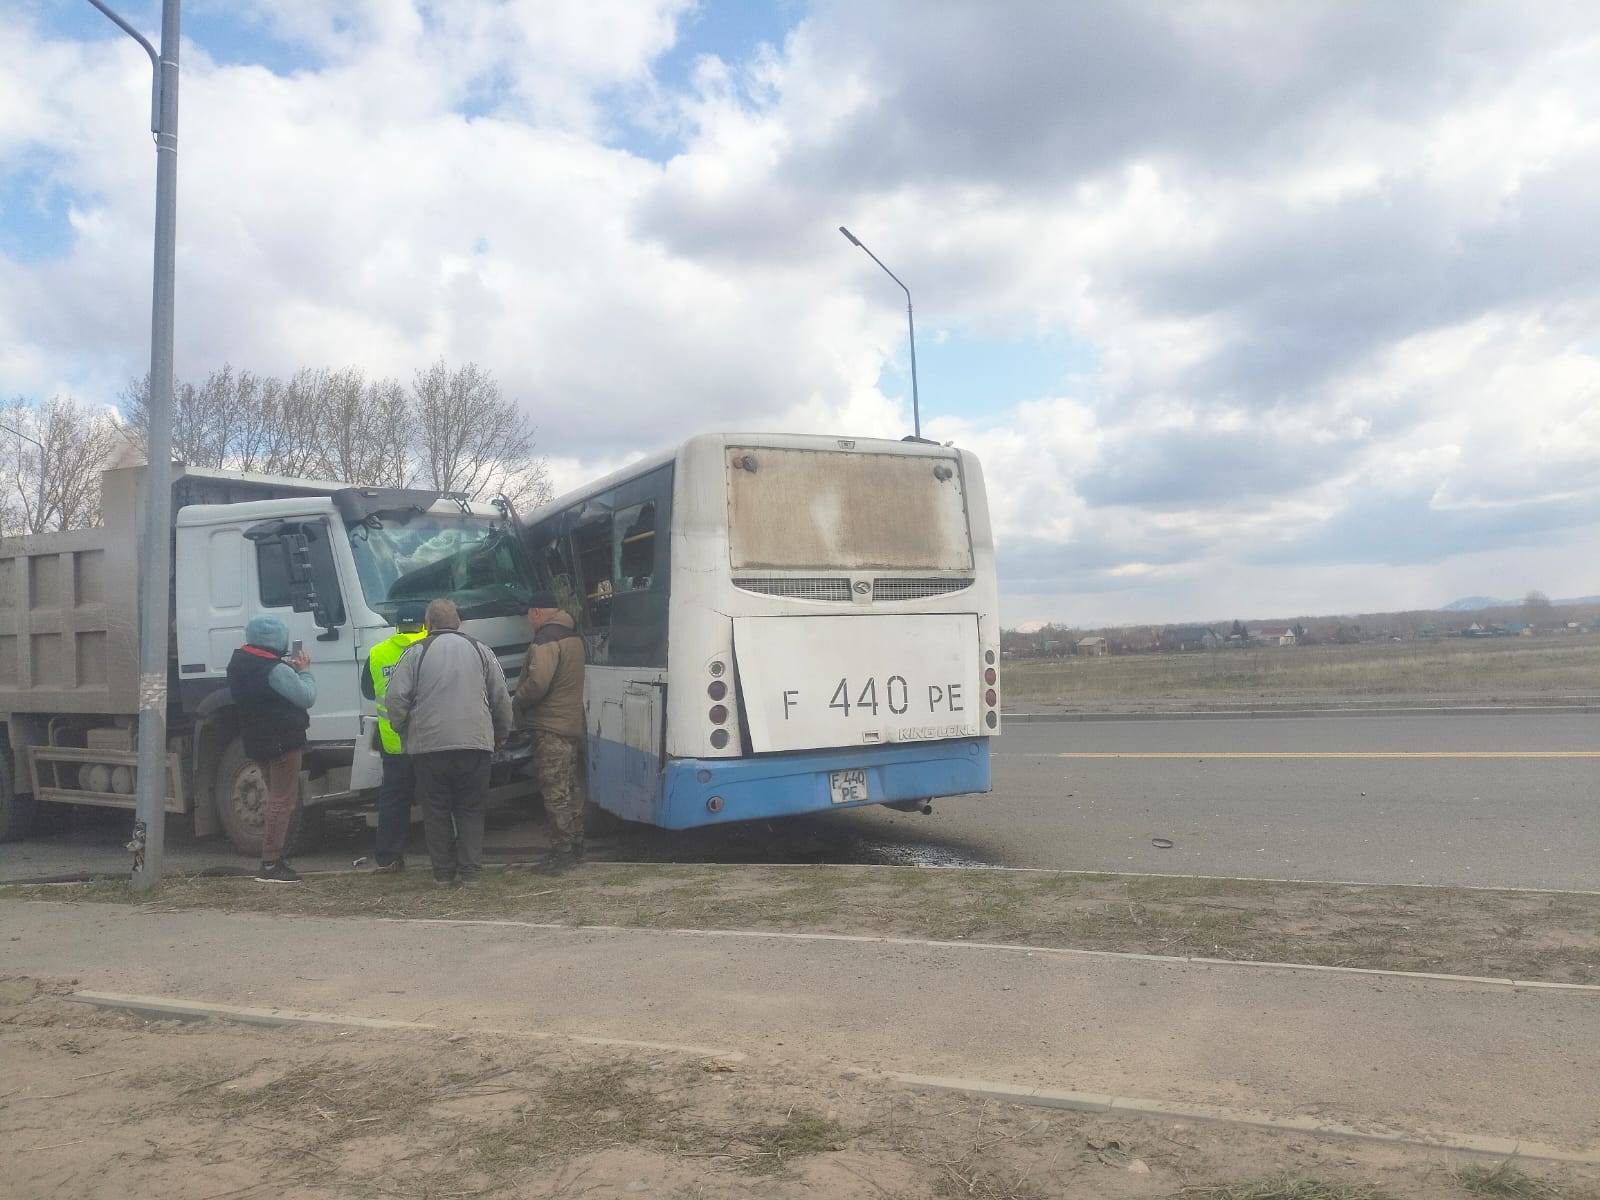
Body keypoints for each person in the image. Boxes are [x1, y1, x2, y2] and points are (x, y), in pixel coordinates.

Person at [385, 598, 513, 887]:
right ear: (458, 623)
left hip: (429, 748)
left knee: (435, 811)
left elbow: (395, 697)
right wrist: (502, 731)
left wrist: (403, 728)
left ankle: (443, 874)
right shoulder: (481, 650)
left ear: (427, 624)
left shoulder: (415, 652)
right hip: (475, 744)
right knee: (471, 808)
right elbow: (501, 696)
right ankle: (471, 873)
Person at [225, 615, 317, 884]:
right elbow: (306, 696)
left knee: (272, 798)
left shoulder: (240, 663)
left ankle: (272, 858)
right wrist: (304, 671)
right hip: (284, 741)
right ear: (277, 639)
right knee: (282, 801)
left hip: (256, 740)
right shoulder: (275, 669)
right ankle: (271, 863)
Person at [514, 591, 589, 874]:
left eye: (529, 616)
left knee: (555, 791)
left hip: (550, 726)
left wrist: (517, 699)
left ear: (536, 613)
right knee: (571, 788)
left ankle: (562, 853)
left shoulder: (546, 639)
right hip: (571, 723)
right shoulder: (573, 635)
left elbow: (538, 683)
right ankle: (578, 845)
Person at [359, 601, 429, 872]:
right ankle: (446, 856)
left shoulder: (378, 653)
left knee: (393, 800)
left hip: (393, 741)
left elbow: (368, 691)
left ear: (397, 626)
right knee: (436, 798)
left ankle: (389, 857)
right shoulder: (433, 647)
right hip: (428, 740)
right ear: (425, 623)